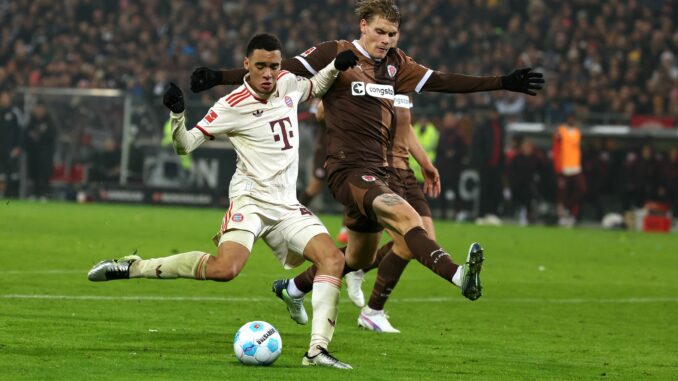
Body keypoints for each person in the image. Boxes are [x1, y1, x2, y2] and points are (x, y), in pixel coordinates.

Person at [191, 0, 543, 316]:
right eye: (379, 31)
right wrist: (219, 78)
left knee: (357, 257)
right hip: (347, 169)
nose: (386, 39)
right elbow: (275, 70)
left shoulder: (397, 65)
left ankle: (294, 289)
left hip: (378, 172)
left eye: (392, 33)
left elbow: (443, 81)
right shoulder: (336, 52)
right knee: (407, 219)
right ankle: (458, 274)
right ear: (363, 26)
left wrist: (502, 82)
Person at [87, 33, 359, 369]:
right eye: (260, 66)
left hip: (286, 204)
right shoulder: (231, 105)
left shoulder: (288, 82)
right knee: (224, 270)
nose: (269, 73)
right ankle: (136, 266)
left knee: (332, 259)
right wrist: (177, 114)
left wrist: (334, 67)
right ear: (247, 65)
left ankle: (316, 351)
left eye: (274, 65)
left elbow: (314, 87)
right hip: (250, 201)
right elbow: (185, 146)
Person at [552, 113, 586, 226]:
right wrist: (558, 169)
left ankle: (567, 208)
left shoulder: (577, 132)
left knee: (582, 189)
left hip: (575, 167)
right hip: (564, 167)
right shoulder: (560, 131)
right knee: (562, 193)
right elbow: (556, 150)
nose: (573, 120)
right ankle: (562, 217)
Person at [25, 102, 56, 200]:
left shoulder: (49, 122)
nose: (39, 111)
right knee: (34, 174)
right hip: (33, 153)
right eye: (37, 109)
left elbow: (51, 137)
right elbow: (26, 135)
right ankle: (34, 194)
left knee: (45, 175)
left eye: (41, 109)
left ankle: (45, 194)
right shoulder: (31, 121)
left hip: (45, 154)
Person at [0, 89, 22, 198]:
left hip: (11, 149)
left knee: (13, 174)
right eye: (2, 97)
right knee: (1, 174)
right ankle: (3, 196)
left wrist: (18, 146)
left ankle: (12, 196)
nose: (3, 99)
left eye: (5, 97)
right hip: (1, 150)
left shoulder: (15, 113)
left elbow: (20, 131)